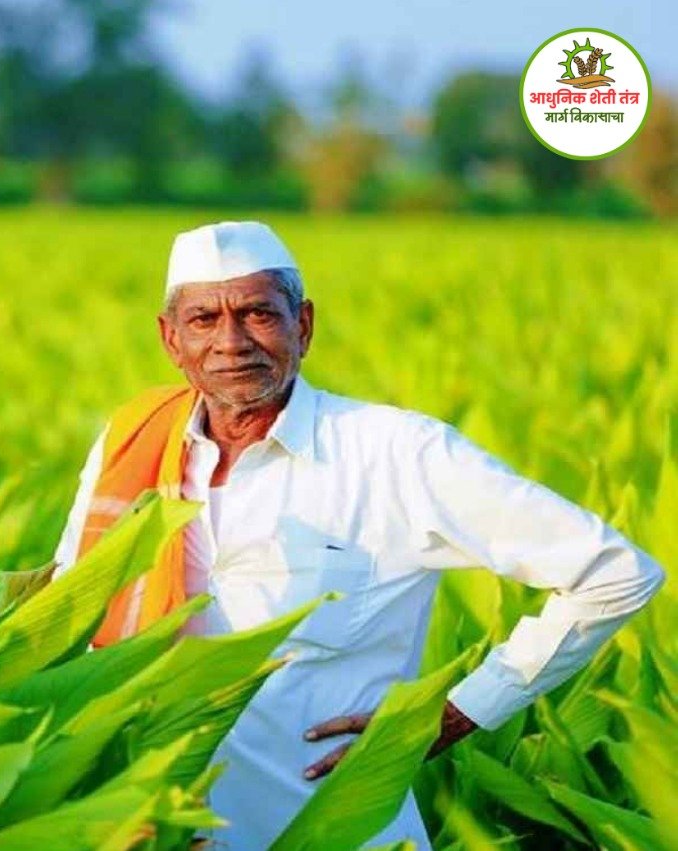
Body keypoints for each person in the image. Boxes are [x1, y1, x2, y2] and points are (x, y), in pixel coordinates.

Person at [49, 220, 666, 849]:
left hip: (347, 834)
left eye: (258, 313)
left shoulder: (396, 452)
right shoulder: (131, 449)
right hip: (165, 832)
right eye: (204, 320)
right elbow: (75, 610)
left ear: (303, 325)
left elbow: (616, 573)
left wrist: (456, 714)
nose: (231, 342)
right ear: (170, 339)